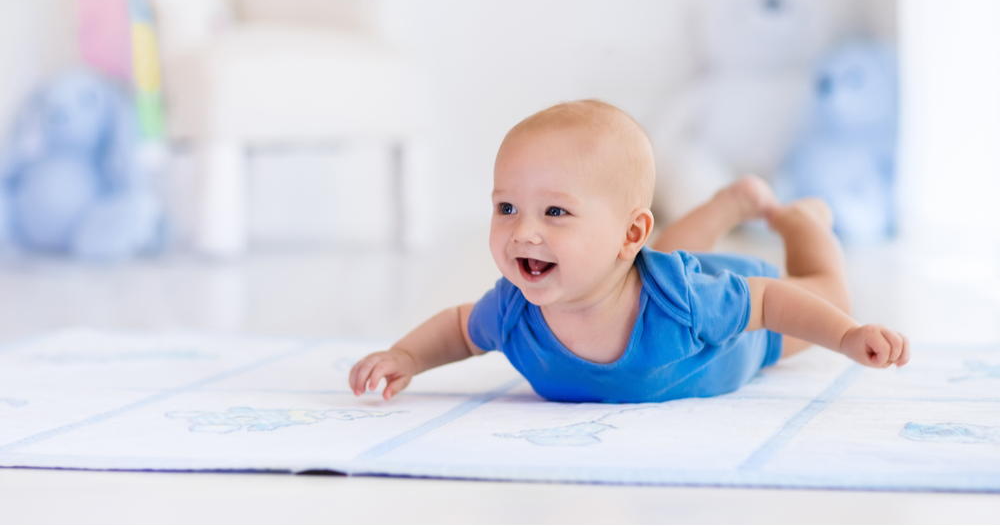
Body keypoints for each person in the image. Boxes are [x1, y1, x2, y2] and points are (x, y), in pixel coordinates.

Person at [349, 100, 910, 403]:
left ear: (626, 233)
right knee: (658, 260)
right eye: (507, 208)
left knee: (826, 287)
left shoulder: (690, 300)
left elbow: (770, 302)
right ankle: (727, 203)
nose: (523, 232)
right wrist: (405, 357)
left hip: (738, 329)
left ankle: (802, 218)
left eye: (555, 212)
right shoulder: (515, 309)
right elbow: (458, 328)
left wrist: (845, 335)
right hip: (649, 272)